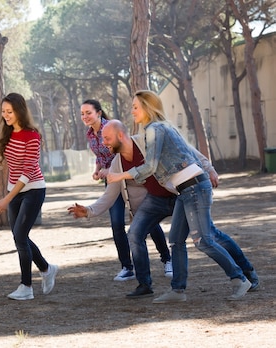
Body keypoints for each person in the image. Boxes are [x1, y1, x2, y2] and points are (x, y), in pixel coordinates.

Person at [107, 90, 259, 303]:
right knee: (176, 240)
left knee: (203, 241)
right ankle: (178, 291)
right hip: (186, 190)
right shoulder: (163, 127)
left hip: (194, 188)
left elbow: (150, 166)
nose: (131, 111)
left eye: (135, 107)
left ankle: (240, 278)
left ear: (148, 108)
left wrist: (119, 176)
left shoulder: (154, 129)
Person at [70, 120, 208, 298]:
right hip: (156, 200)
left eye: (107, 138)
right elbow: (109, 195)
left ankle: (245, 273)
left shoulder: (145, 142)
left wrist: (209, 169)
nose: (103, 143)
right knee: (134, 234)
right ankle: (144, 284)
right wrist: (88, 211)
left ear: (120, 135)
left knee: (207, 236)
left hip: (178, 194)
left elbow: (188, 150)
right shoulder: (117, 164)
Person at [81, 99, 172, 281]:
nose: (85, 117)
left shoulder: (112, 128)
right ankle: (127, 267)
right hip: (113, 181)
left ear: (99, 113)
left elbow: (123, 152)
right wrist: (98, 170)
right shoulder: (90, 135)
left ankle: (167, 259)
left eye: (88, 113)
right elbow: (100, 156)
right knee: (116, 223)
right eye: (82, 114)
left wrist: (112, 170)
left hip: (131, 180)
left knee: (148, 221)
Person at [0, 92, 58, 301]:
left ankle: (26, 286)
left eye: (9, 111)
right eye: (4, 111)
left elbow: (28, 171)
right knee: (19, 236)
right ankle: (47, 269)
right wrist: (10, 193)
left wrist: (7, 198)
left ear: (19, 111)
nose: (6, 115)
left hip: (33, 189)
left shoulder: (32, 135)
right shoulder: (8, 133)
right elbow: (12, 169)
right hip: (15, 190)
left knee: (20, 236)